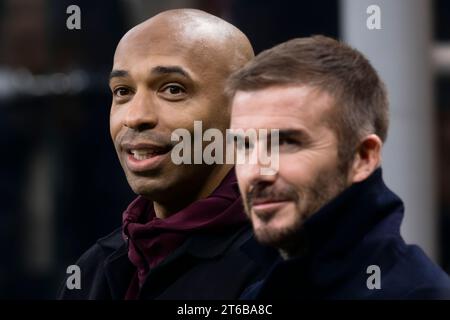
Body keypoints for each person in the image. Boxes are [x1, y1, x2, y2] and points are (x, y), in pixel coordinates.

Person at [59, 9, 277, 300]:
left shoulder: (285, 263)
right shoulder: (95, 269)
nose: (135, 117)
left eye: (172, 89)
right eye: (123, 91)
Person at [226, 35, 450, 299]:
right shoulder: (256, 296)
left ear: (363, 157)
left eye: (286, 143)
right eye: (245, 146)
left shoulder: (421, 294)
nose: (256, 171)